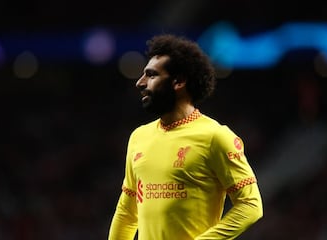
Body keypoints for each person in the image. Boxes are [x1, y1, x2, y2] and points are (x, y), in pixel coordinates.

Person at [108, 34, 263, 240]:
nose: (140, 82)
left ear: (178, 81)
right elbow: (127, 212)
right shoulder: (139, 137)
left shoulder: (215, 137)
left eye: (151, 75)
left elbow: (251, 205)